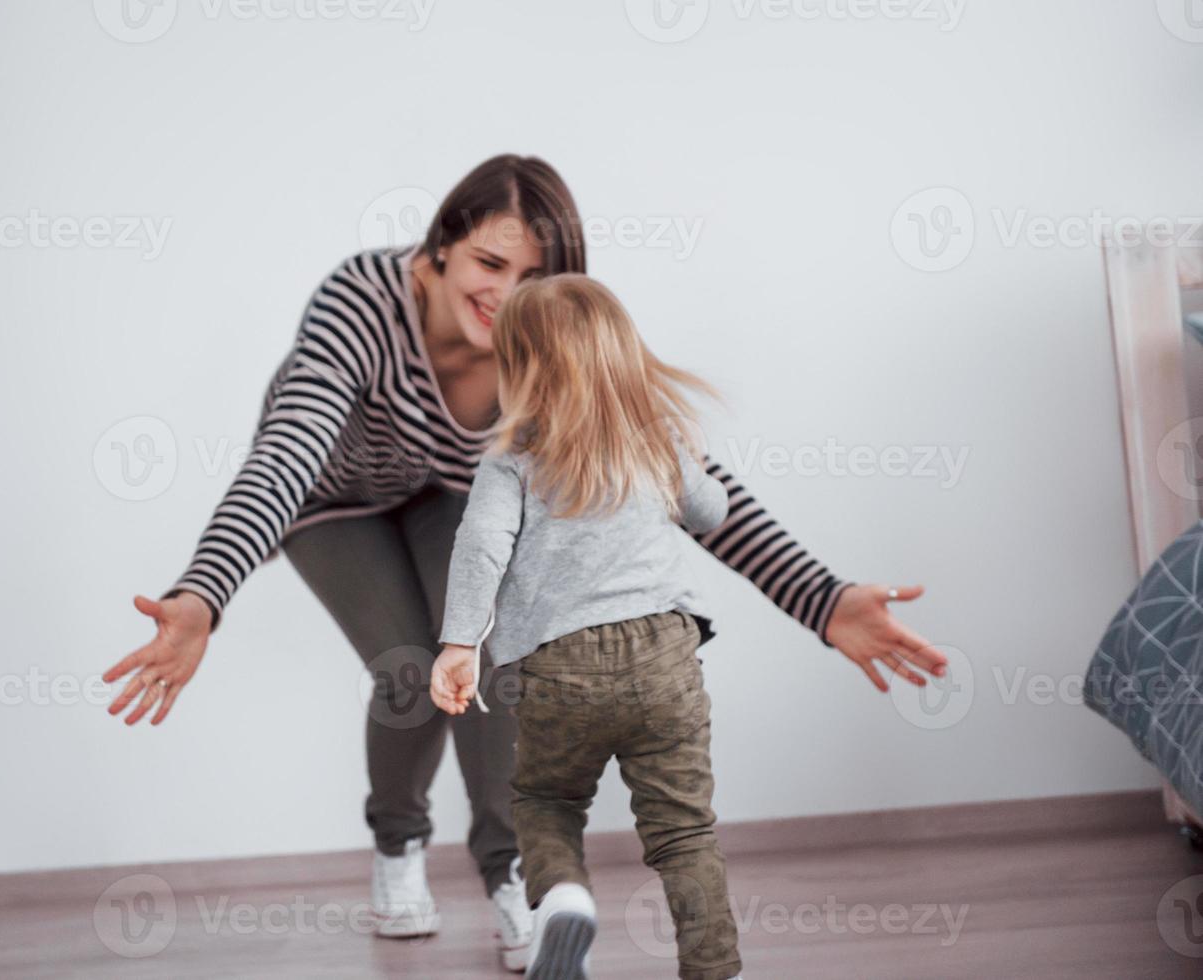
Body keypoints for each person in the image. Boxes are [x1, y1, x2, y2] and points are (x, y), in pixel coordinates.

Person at [102, 154, 939, 973]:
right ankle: (399, 842)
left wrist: (822, 599)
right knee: (407, 669)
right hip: (332, 498)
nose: (504, 295)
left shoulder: (543, 341)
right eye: (489, 263)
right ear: (439, 248)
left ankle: (515, 876)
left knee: (495, 656)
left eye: (530, 275)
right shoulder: (362, 301)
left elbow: (662, 467)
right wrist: (203, 594)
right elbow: (286, 454)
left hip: (459, 498)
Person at [430, 274, 948, 980]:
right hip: (665, 656)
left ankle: (565, 904)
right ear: (624, 355)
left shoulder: (510, 462)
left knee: (547, 801)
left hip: (558, 666)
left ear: (517, 366)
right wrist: (680, 451)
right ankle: (714, 968)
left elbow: (481, 547)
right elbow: (709, 513)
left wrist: (459, 643)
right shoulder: (653, 440)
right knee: (683, 833)